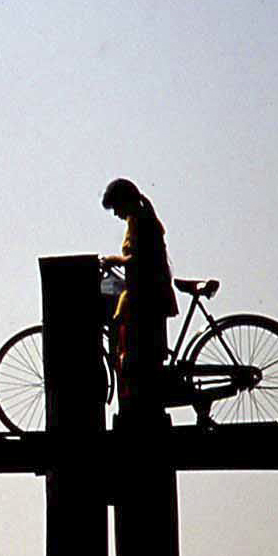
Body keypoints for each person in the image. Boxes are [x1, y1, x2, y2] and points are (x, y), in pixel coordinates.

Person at [100, 177, 177, 415]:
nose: (116, 214)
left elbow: (136, 260)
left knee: (141, 358)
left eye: (116, 208)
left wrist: (113, 260)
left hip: (147, 298)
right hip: (149, 294)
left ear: (124, 201)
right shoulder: (144, 217)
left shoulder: (140, 221)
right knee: (145, 357)